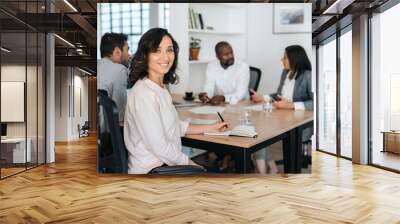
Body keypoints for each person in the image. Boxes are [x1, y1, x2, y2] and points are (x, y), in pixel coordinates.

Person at [124, 28, 228, 174]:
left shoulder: (160, 88)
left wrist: (212, 127)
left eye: (169, 50)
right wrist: (192, 164)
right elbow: (160, 147)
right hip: (153, 172)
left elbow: (174, 127)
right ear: (145, 55)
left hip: (165, 166)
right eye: (157, 51)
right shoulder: (144, 93)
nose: (165, 57)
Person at [250, 45, 313, 174]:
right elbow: (278, 95)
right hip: (281, 116)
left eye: (285, 57)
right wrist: (262, 97)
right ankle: (269, 168)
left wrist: (290, 106)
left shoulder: (308, 76)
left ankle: (265, 170)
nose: (281, 60)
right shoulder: (286, 72)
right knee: (258, 129)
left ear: (294, 59)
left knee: (261, 131)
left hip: (299, 121)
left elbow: (315, 102)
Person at [98, 33, 130, 127]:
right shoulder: (120, 70)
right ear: (117, 52)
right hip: (108, 135)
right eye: (127, 50)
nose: (129, 55)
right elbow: (120, 115)